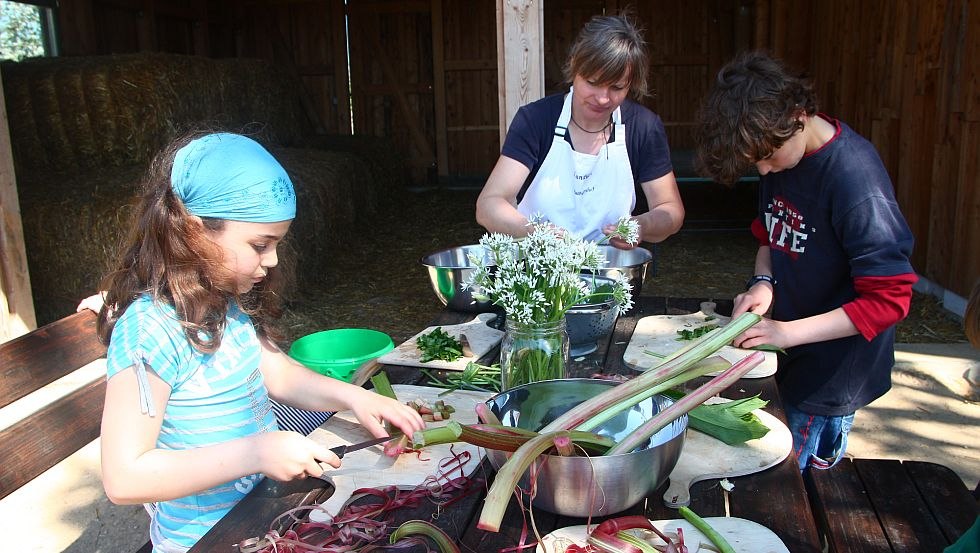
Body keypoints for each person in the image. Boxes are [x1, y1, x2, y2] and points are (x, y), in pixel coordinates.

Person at [95, 131, 425, 552]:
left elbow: (279, 373)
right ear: (194, 231)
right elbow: (124, 478)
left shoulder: (220, 303)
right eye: (259, 245)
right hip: (210, 537)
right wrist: (256, 452)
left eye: (276, 245)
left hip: (265, 512)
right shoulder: (150, 331)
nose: (271, 261)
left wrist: (354, 397)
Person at [695, 52, 918, 472]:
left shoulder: (855, 180)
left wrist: (784, 331)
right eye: (754, 162)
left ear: (798, 114)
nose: (762, 169)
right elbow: (770, 233)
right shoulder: (779, 148)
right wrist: (764, 282)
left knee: (786, 485)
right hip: (792, 351)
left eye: (767, 156)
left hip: (833, 372)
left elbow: (890, 300)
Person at [475, 13, 684, 249]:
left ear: (631, 83)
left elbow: (671, 210)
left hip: (610, 275)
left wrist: (641, 225)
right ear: (575, 66)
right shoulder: (536, 120)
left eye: (616, 87)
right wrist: (535, 233)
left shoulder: (643, 127)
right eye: (593, 82)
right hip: (538, 271)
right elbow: (488, 204)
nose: (603, 98)